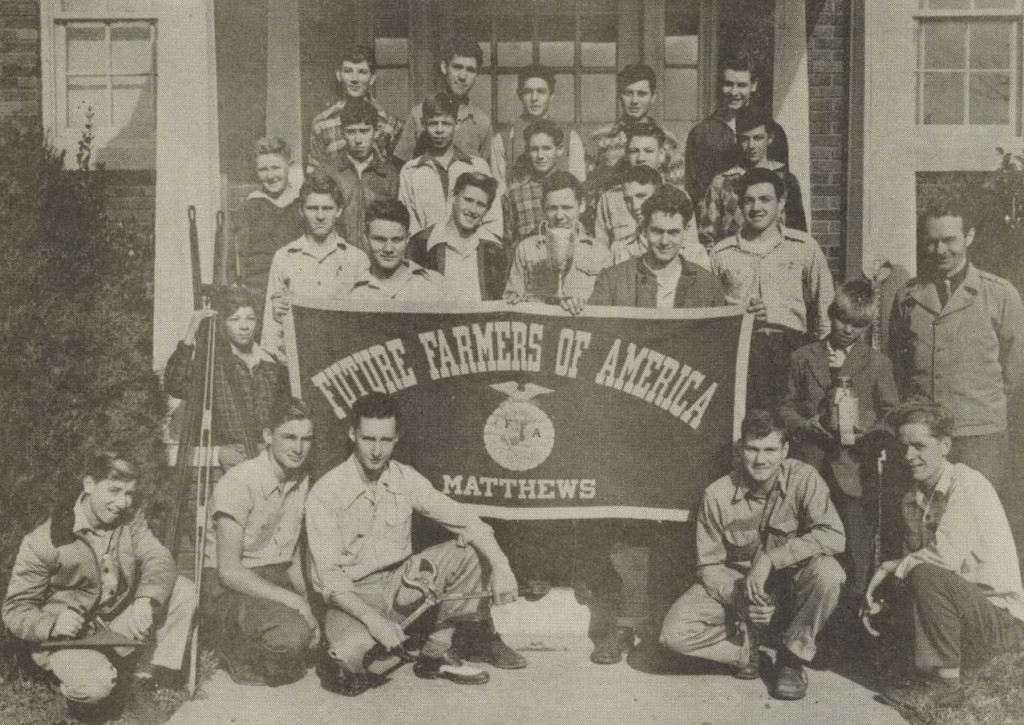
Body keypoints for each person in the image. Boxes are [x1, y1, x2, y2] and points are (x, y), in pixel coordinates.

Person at [575, 189, 725, 666]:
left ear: (687, 233)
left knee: (680, 526)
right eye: (656, 230)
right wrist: (576, 311)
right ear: (643, 230)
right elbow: (590, 343)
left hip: (683, 427)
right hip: (627, 427)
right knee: (625, 524)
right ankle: (619, 627)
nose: (664, 240)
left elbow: (718, 353)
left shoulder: (705, 285)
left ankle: (663, 628)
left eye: (673, 232)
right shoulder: (616, 278)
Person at [306, 393, 525, 697]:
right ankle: (373, 644)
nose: (376, 451)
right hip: (353, 597)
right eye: (368, 439)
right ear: (351, 434)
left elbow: (467, 520)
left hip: (400, 586)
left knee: (472, 549)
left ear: (397, 438)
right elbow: (330, 582)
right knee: (349, 657)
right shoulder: (326, 492)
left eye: (386, 440)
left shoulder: (404, 478)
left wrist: (503, 567)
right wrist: (373, 621)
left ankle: (436, 653)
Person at [660, 409, 846, 701]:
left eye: (770, 449)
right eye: (752, 449)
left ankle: (791, 659)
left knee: (829, 572)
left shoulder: (804, 479)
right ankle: (746, 653)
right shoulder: (717, 495)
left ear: (784, 450)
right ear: (740, 449)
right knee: (673, 634)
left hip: (789, 586)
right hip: (740, 590)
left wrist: (771, 559)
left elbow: (833, 535)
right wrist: (741, 598)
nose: (761, 460)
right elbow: (709, 566)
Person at [3, 452, 196, 721]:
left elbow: (158, 558)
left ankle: (142, 679)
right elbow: (15, 610)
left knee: (182, 589)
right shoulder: (44, 540)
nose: (122, 503)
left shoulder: (130, 522)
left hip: (113, 628)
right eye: (114, 490)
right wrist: (53, 623)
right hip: (69, 641)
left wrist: (145, 600)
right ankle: (75, 687)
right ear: (89, 485)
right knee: (96, 686)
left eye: (129, 493)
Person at [864, 399, 1024, 711]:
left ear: (945, 445)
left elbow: (941, 561)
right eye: (904, 447)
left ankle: (946, 685)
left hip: (1000, 623)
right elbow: (917, 578)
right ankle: (934, 671)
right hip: (960, 617)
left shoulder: (967, 484)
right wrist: (881, 599)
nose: (909, 456)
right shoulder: (913, 498)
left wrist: (887, 568)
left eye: (920, 446)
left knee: (923, 572)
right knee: (905, 590)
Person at [889, 194, 1024, 494]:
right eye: (931, 241)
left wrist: (984, 408)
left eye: (949, 240)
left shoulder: (1000, 295)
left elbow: (1016, 375)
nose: (939, 250)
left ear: (970, 236)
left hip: (980, 435)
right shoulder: (907, 297)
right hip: (926, 436)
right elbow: (897, 365)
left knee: (979, 520)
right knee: (926, 518)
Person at [779, 279, 899, 610]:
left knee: (857, 551)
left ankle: (852, 627)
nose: (848, 330)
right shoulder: (802, 357)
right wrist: (806, 424)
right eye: (842, 320)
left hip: (855, 472)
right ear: (830, 315)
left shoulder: (877, 363)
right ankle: (807, 618)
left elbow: (891, 415)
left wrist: (867, 432)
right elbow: (784, 408)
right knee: (809, 546)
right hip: (812, 468)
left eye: (858, 324)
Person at [201, 397, 317, 687]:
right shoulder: (240, 481)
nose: (298, 448)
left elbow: (288, 555)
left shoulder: (301, 479)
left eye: (306, 439)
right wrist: (293, 601)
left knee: (329, 627)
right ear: (267, 436)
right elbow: (228, 571)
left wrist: (308, 601)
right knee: (292, 636)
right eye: (289, 437)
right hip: (230, 587)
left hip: (272, 579)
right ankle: (231, 652)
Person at [710, 166, 834, 411]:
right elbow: (711, 314)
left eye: (765, 199)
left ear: (782, 202)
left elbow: (825, 308)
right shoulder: (721, 253)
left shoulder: (803, 247)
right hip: (742, 354)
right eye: (749, 200)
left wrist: (821, 360)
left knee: (792, 422)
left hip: (792, 350)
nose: (756, 208)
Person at [165, 285, 288, 471]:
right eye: (235, 319)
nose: (244, 326)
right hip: (233, 455)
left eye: (250, 319)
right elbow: (175, 384)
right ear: (224, 323)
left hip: (270, 455)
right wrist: (191, 332)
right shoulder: (216, 365)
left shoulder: (270, 364)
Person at [261, 171, 371, 362]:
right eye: (312, 208)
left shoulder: (357, 259)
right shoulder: (284, 257)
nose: (320, 216)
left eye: (327, 208)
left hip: (343, 363)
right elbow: (271, 328)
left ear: (339, 211)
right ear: (301, 211)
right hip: (296, 364)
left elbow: (367, 325)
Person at [685, 50, 789, 205]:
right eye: (728, 84)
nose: (734, 92)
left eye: (741, 85)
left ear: (753, 85)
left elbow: (783, 186)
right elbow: (696, 194)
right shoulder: (701, 133)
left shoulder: (773, 131)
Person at [397, 92, 502, 241]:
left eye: (446, 123)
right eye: (433, 123)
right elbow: (409, 226)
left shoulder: (478, 167)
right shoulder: (410, 171)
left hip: (471, 254)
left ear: (457, 123)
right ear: (423, 124)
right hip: (428, 256)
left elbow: (493, 221)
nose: (439, 130)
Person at [700, 105, 806, 249]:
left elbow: (799, 234)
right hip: (733, 262)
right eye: (745, 139)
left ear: (770, 138)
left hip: (777, 263)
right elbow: (707, 235)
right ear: (737, 140)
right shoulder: (722, 182)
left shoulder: (785, 180)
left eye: (758, 138)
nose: (751, 145)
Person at [504, 170, 612, 307]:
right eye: (552, 208)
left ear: (582, 205)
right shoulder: (526, 249)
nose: (559, 216)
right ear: (543, 208)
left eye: (567, 208)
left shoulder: (600, 252)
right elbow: (510, 299)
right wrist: (515, 301)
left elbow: (606, 308)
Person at [407, 171, 507, 302]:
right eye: (468, 200)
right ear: (453, 197)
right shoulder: (421, 243)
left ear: (487, 210)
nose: (473, 210)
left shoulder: (497, 249)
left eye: (481, 205)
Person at [392, 34, 493, 164]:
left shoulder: (482, 123)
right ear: (444, 67)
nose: (463, 76)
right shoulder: (418, 115)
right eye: (457, 67)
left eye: (471, 70)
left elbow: (486, 175)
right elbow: (399, 167)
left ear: (477, 75)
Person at [229, 136, 304, 302]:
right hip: (259, 294)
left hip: (299, 291)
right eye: (263, 170)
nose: (270, 176)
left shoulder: (302, 206)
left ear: (289, 165)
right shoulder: (248, 209)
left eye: (276, 168)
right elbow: (238, 260)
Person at [307, 43, 403, 172]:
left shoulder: (390, 124)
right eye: (348, 71)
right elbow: (313, 173)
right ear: (338, 75)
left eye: (362, 72)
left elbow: (396, 175)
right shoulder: (322, 123)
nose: (355, 79)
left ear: (372, 78)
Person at [489, 64, 586, 186]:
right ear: (519, 95)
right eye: (528, 92)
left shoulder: (571, 138)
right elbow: (499, 193)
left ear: (551, 95)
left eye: (541, 91)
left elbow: (578, 186)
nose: (534, 98)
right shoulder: (502, 140)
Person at [589, 63, 681, 185]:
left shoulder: (668, 140)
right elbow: (585, 189)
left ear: (653, 97)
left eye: (642, 94)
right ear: (619, 95)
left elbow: (678, 187)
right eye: (628, 93)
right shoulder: (600, 138)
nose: (634, 101)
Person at [594, 123, 681, 248]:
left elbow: (689, 249)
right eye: (634, 151)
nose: (640, 158)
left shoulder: (679, 197)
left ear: (661, 154)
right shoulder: (609, 200)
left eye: (648, 151)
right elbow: (601, 251)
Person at [609, 165, 710, 271]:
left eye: (641, 196)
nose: (634, 206)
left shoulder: (693, 251)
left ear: (658, 196)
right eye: (628, 200)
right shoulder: (620, 250)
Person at [333, 98, 401, 253]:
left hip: (377, 259)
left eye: (364, 131)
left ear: (376, 131)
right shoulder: (329, 172)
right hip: (338, 258)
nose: (358, 140)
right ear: (342, 132)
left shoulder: (389, 175)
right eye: (351, 132)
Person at [348, 199, 446, 302]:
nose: (388, 249)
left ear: (407, 239)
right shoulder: (349, 292)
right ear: (365, 238)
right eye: (380, 240)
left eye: (396, 240)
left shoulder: (434, 285)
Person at [503, 119, 566, 251]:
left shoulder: (569, 188)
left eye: (546, 148)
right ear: (527, 151)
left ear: (559, 149)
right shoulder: (515, 192)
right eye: (534, 149)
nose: (540, 156)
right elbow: (507, 241)